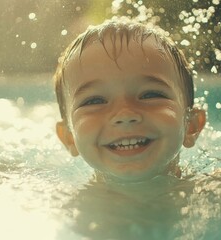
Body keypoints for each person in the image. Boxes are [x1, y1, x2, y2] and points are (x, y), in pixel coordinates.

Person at [53, 16, 206, 183]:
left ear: (191, 125)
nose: (124, 114)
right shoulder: (56, 203)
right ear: (69, 136)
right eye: (94, 101)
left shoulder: (219, 188)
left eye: (150, 95)